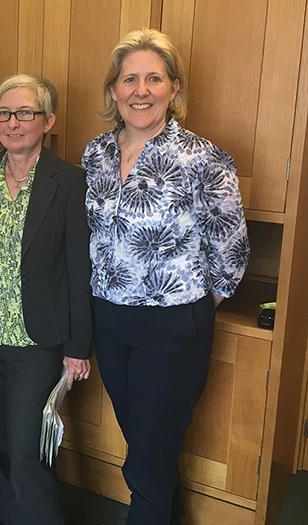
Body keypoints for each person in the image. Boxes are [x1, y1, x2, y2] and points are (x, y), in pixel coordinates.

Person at [82, 29, 250, 525]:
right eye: (129, 79)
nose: (140, 90)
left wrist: (194, 308)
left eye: (154, 78)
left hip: (174, 324)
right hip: (109, 318)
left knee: (150, 450)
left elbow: (231, 248)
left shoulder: (203, 158)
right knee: (144, 437)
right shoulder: (95, 154)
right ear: (113, 90)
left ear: (173, 88)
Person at [0, 74, 93, 525]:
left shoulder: (70, 182)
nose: (13, 123)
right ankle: (1, 515)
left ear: (47, 120)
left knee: (28, 446)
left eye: (25, 112)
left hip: (37, 342)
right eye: (4, 113)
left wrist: (77, 347)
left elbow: (79, 267)